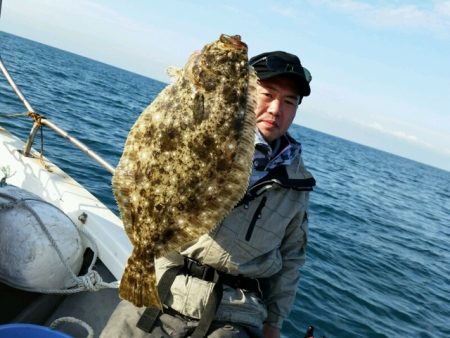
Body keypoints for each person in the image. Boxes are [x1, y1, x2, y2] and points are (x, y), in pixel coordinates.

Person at [101, 51, 316, 338]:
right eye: (267, 94)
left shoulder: (297, 184)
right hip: (165, 288)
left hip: (235, 313)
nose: (277, 109)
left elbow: (290, 260)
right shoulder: (201, 127)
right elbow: (167, 127)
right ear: (245, 91)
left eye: (289, 102)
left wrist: (274, 324)